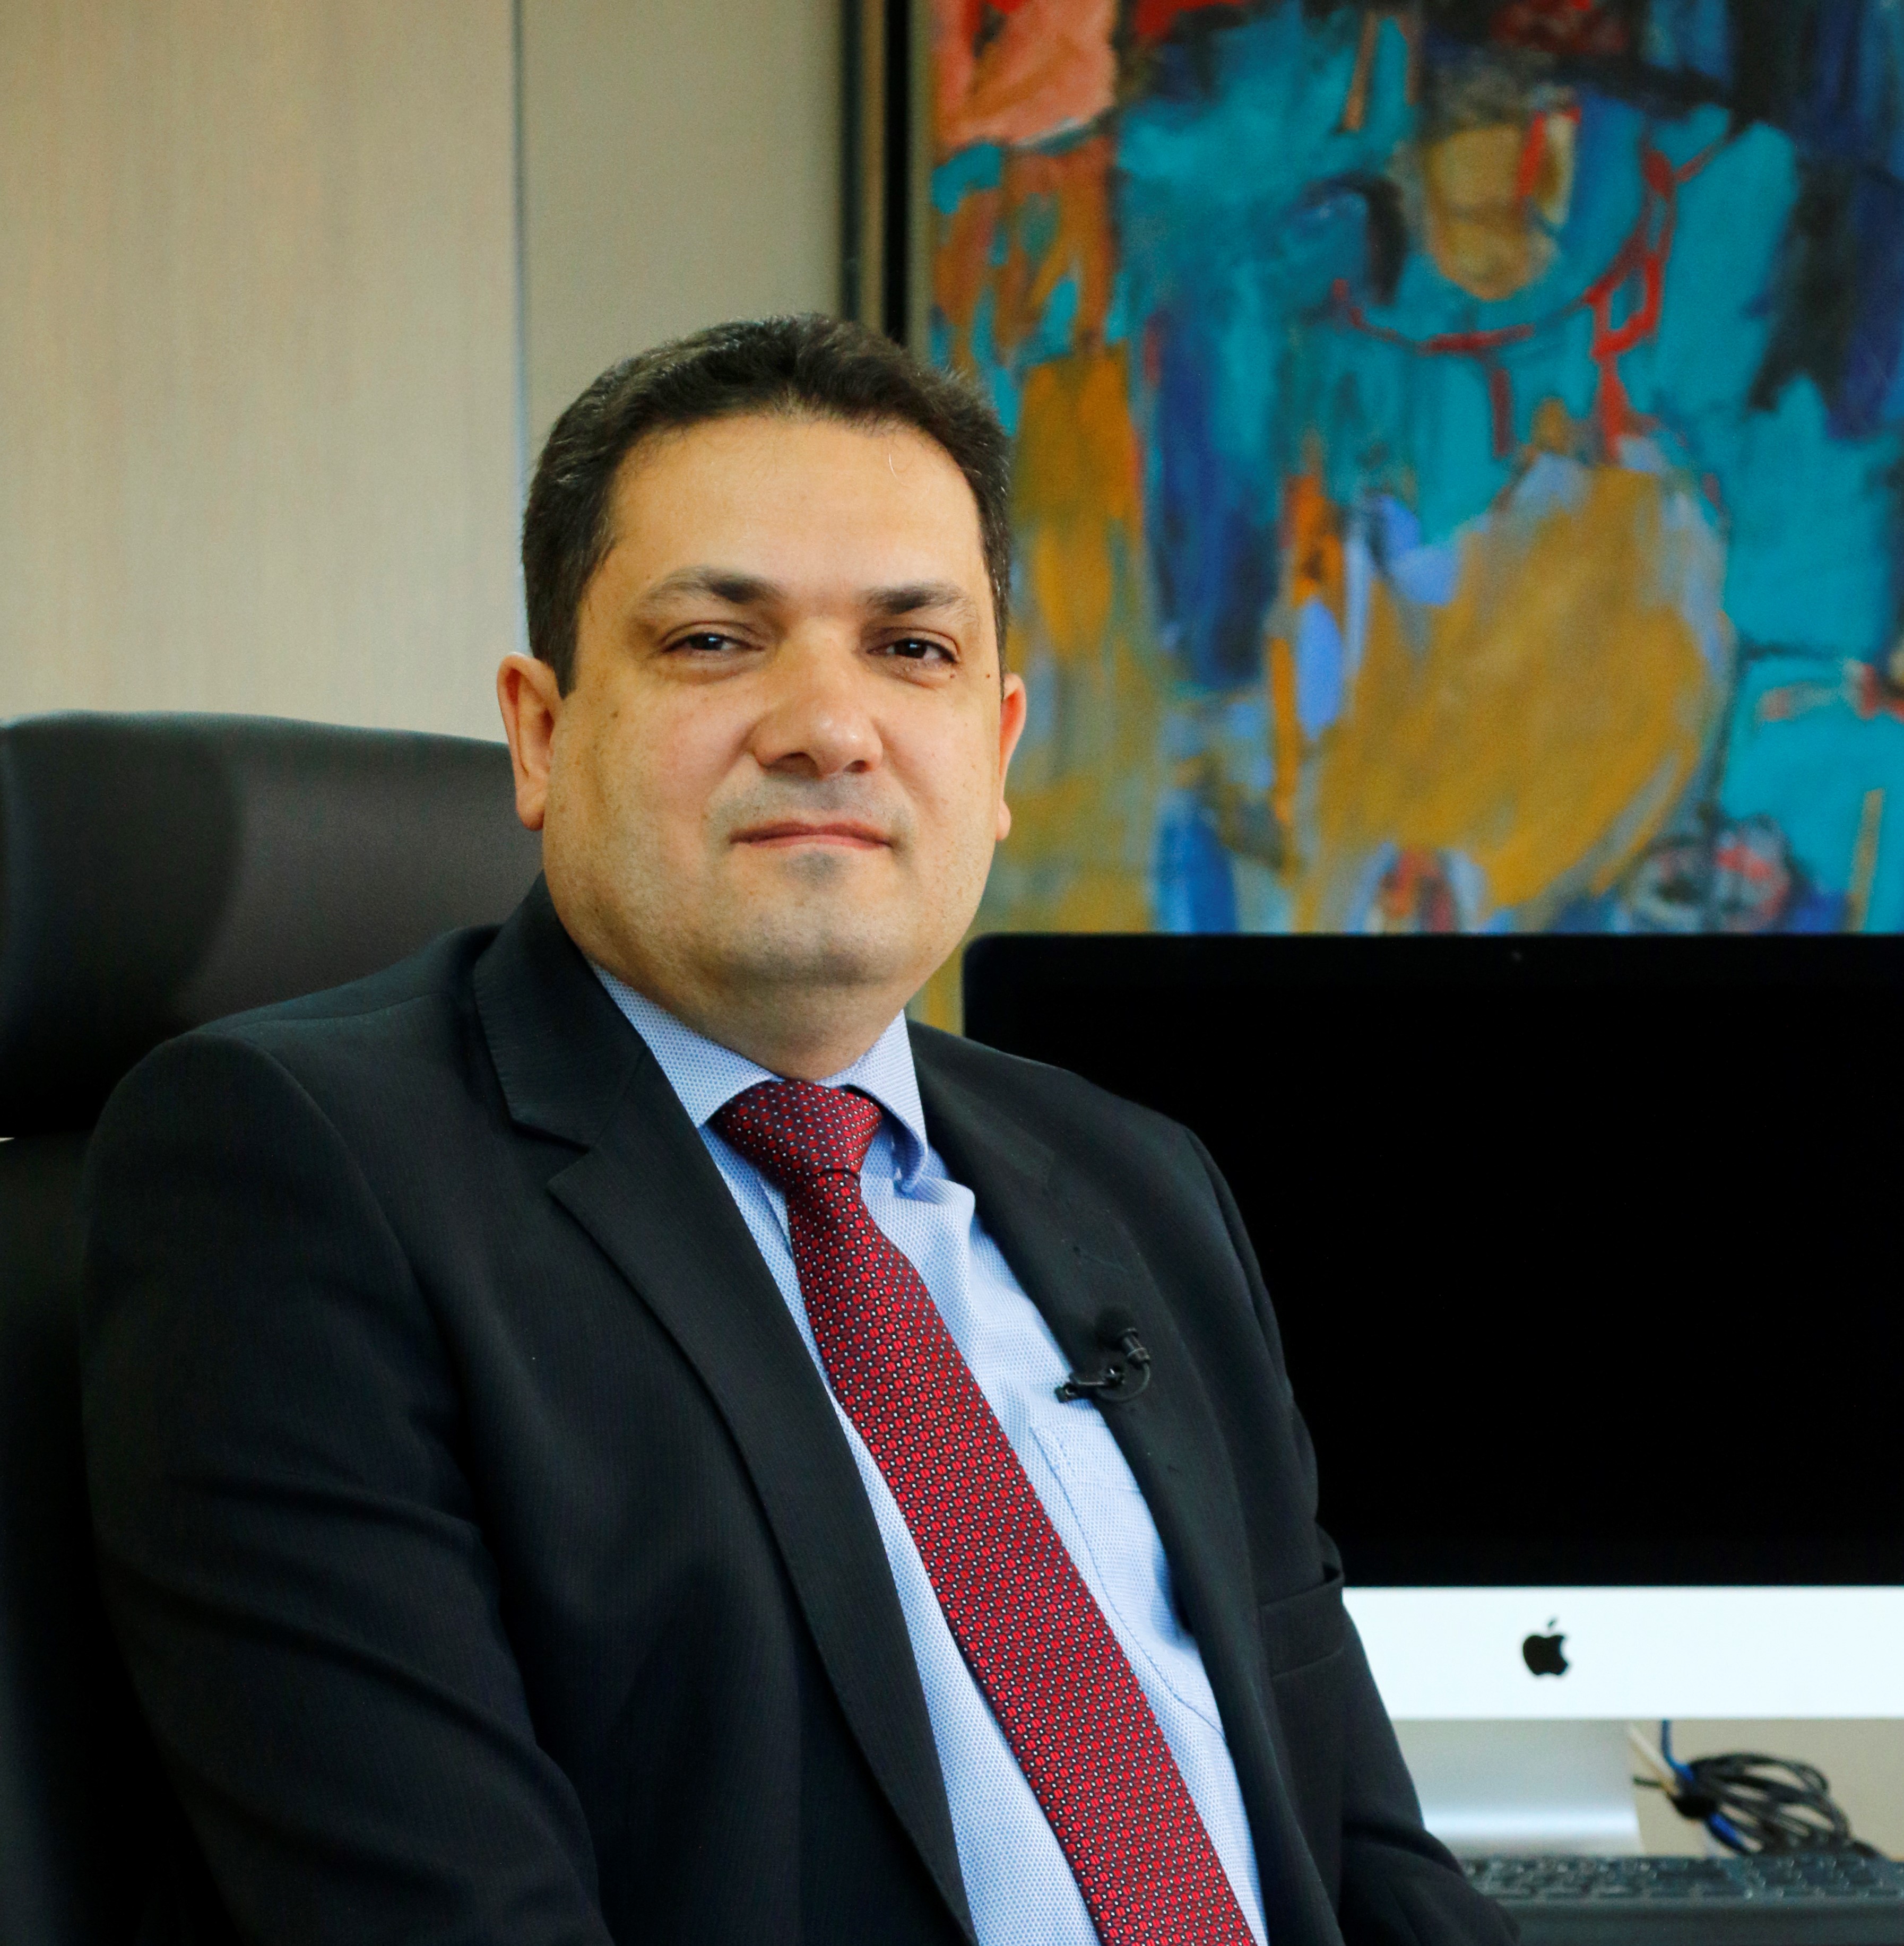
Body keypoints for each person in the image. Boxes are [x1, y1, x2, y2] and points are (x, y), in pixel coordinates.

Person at [82, 315, 1513, 1946]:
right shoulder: (296, 1176)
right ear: (540, 733)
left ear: (998, 746)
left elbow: (1365, 1850)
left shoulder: (1135, 1177)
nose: (828, 725)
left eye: (912, 648)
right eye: (713, 639)